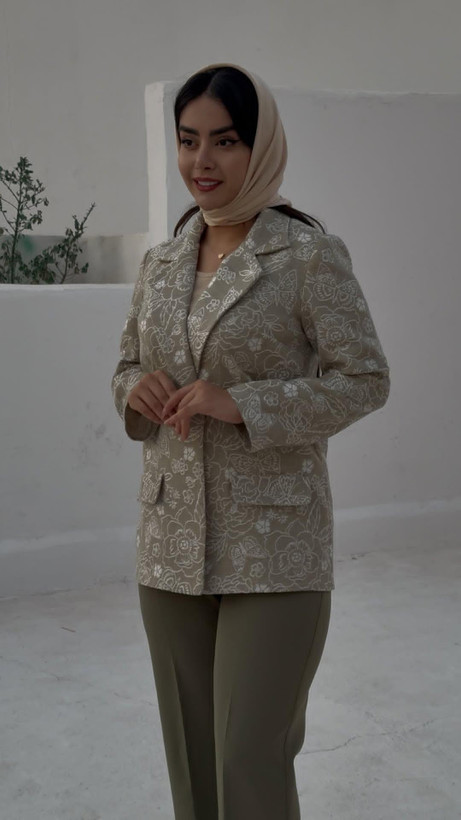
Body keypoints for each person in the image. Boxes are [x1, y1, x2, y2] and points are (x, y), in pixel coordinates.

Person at [111, 62, 390, 820]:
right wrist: (134, 390)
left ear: (260, 146)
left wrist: (244, 403)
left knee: (247, 758)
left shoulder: (307, 256)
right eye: (188, 140)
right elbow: (128, 364)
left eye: (225, 141)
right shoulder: (162, 262)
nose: (201, 161)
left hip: (274, 543)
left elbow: (365, 379)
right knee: (193, 762)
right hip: (170, 537)